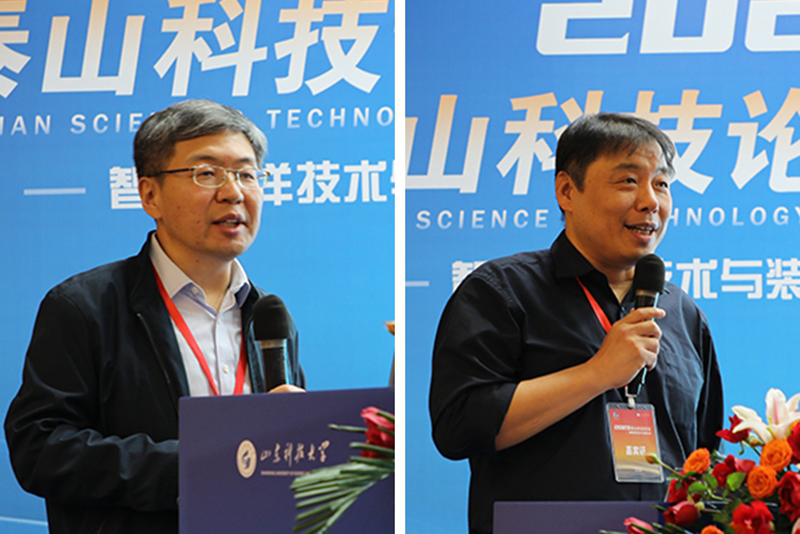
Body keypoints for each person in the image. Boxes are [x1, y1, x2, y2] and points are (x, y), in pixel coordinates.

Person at [4, 99, 305, 533]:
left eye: (246, 174)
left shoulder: (269, 316)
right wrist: (196, 465)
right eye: (207, 173)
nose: (233, 192)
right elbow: (41, 449)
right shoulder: (85, 306)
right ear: (150, 195)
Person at [428, 113, 723, 534]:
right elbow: (459, 427)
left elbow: (705, 457)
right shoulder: (502, 291)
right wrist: (596, 374)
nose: (650, 202)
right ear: (567, 190)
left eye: (661, 184)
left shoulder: (682, 312)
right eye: (628, 181)